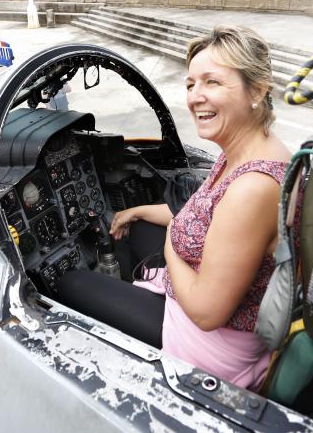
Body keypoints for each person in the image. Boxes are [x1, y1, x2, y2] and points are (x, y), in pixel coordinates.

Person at [109, 26, 290, 390]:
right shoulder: (244, 149)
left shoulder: (254, 186)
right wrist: (137, 211)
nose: (195, 97)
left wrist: (170, 248)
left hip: (210, 344)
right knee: (137, 228)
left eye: (212, 82)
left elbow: (208, 314)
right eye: (191, 84)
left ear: (257, 90)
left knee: (73, 282)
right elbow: (204, 215)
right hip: (204, 305)